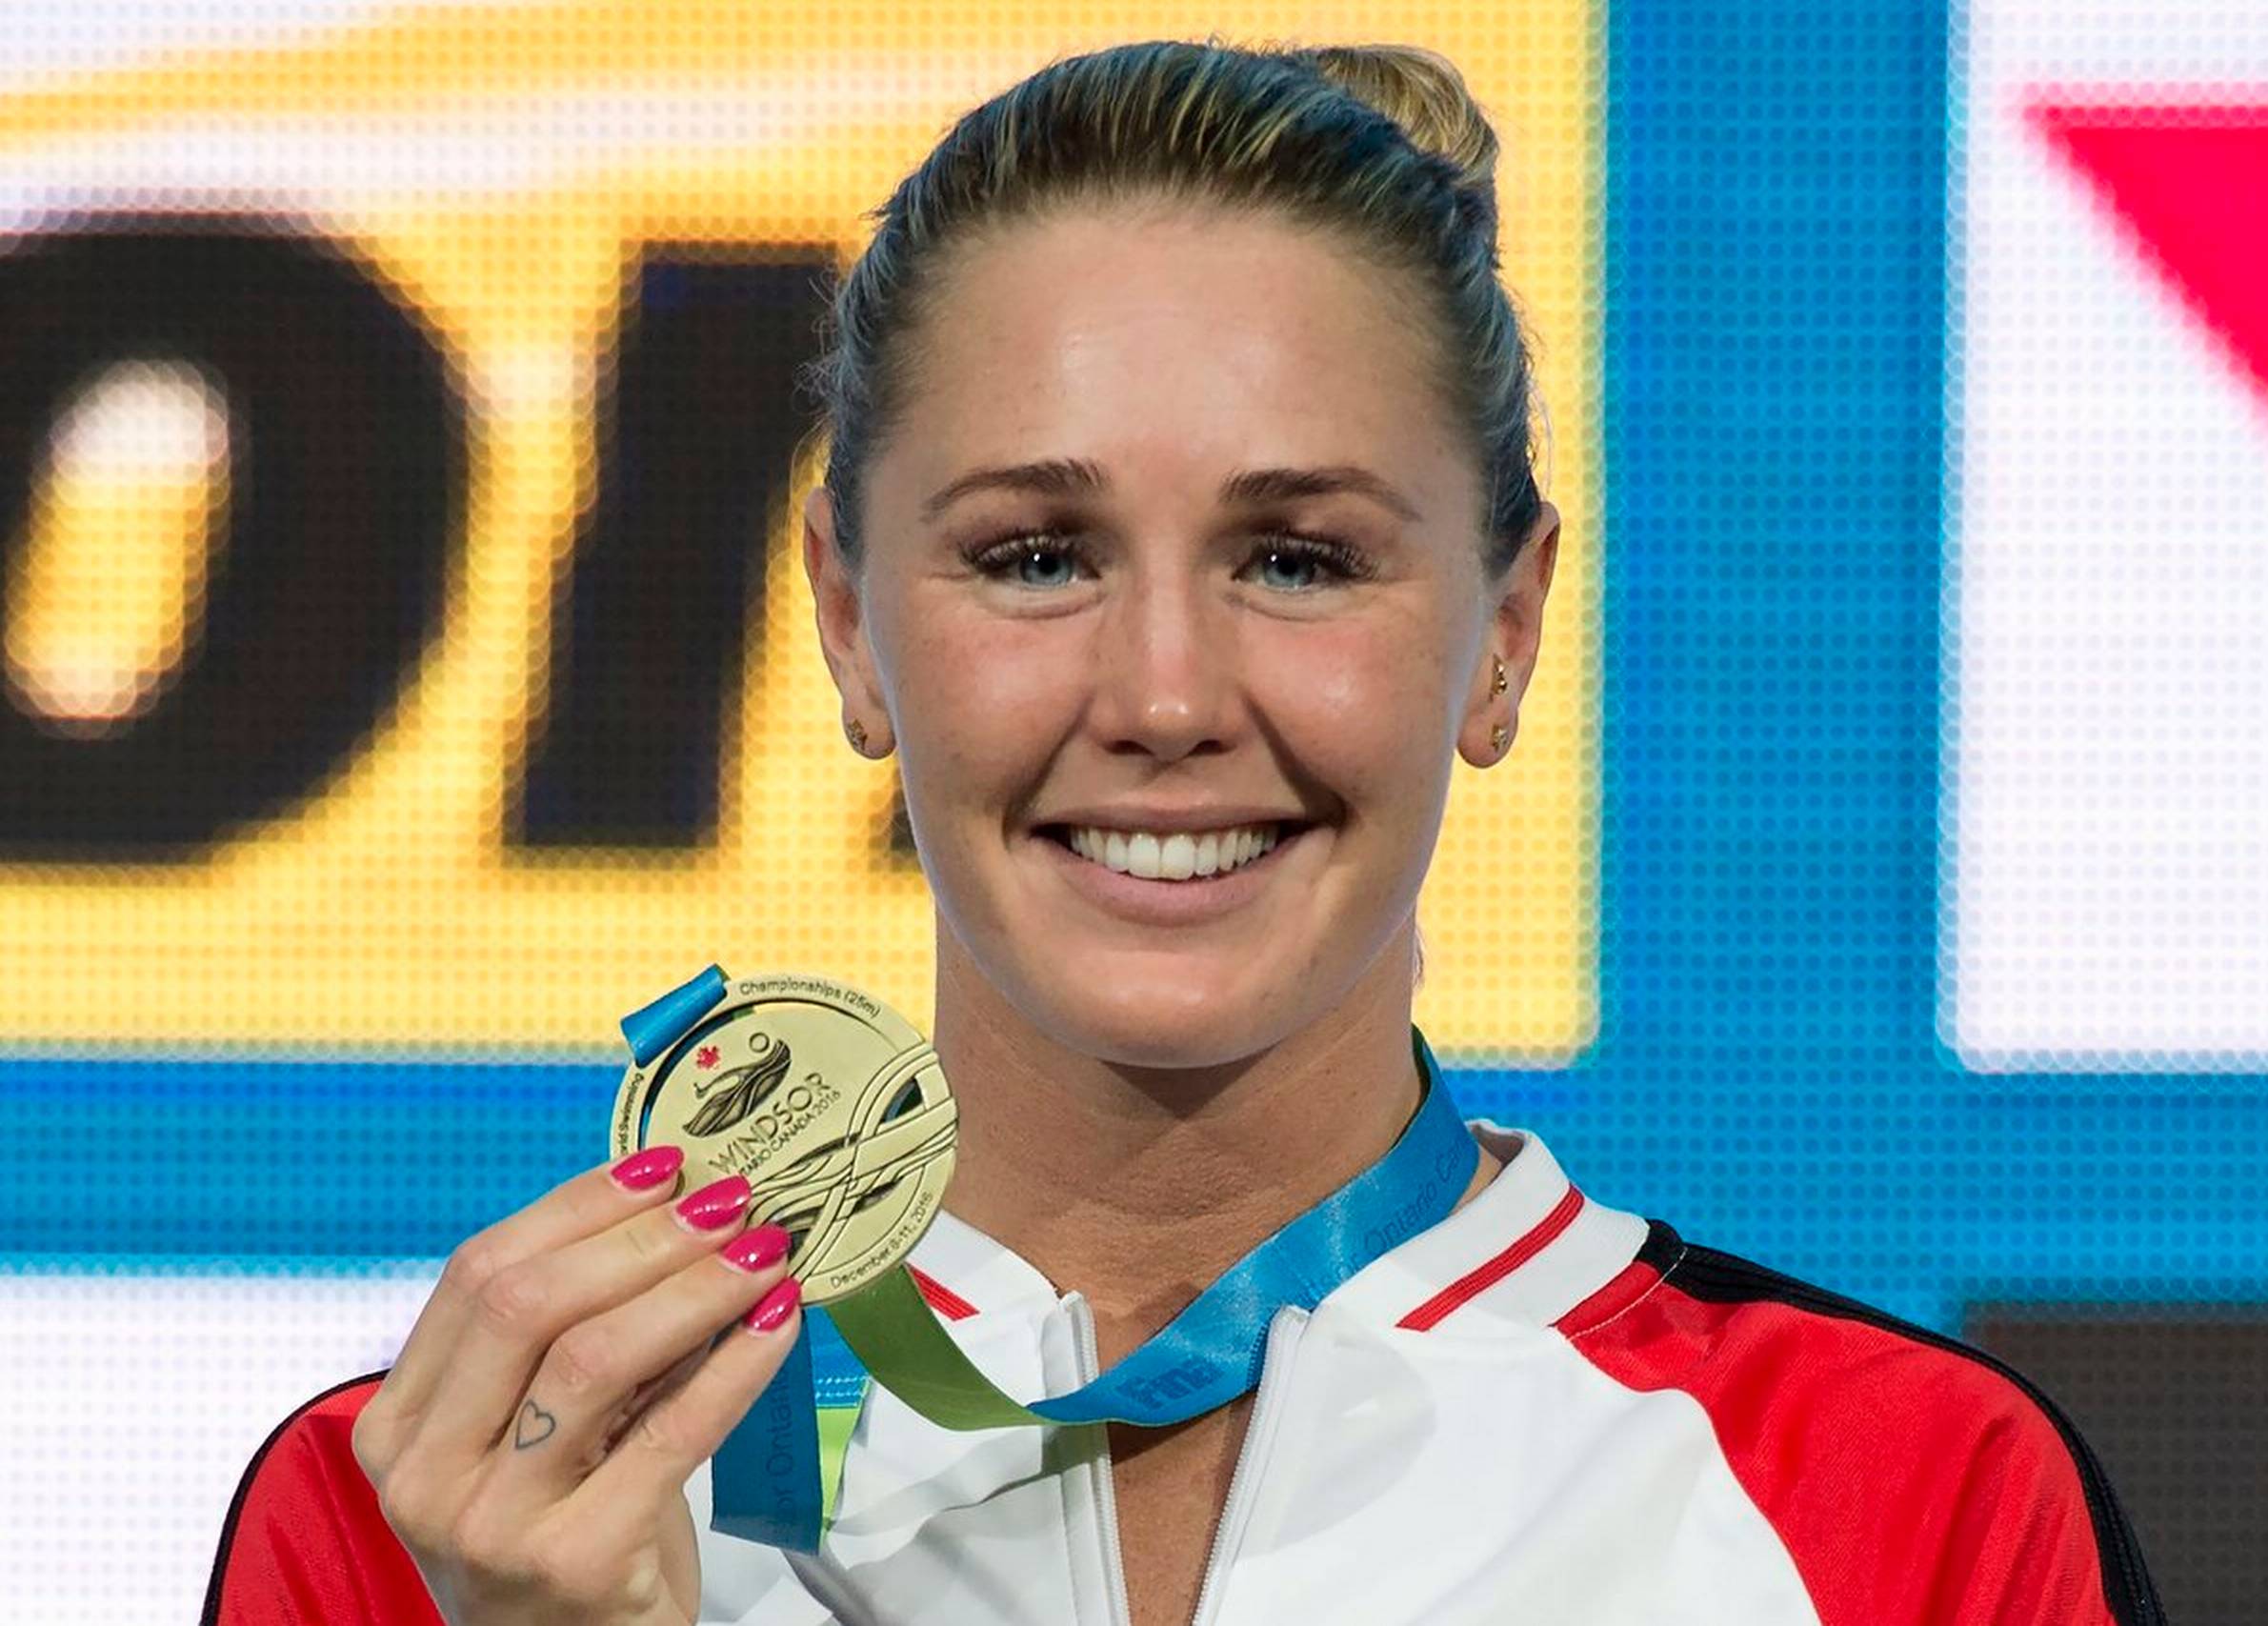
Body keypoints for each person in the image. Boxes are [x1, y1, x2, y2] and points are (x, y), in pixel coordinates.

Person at [206, 39, 2162, 1626]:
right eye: (1034, 554)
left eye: (1296, 557)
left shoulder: (1906, 1502)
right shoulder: (430, 1516)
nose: (1159, 691)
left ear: (1501, 636)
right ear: (840, 617)